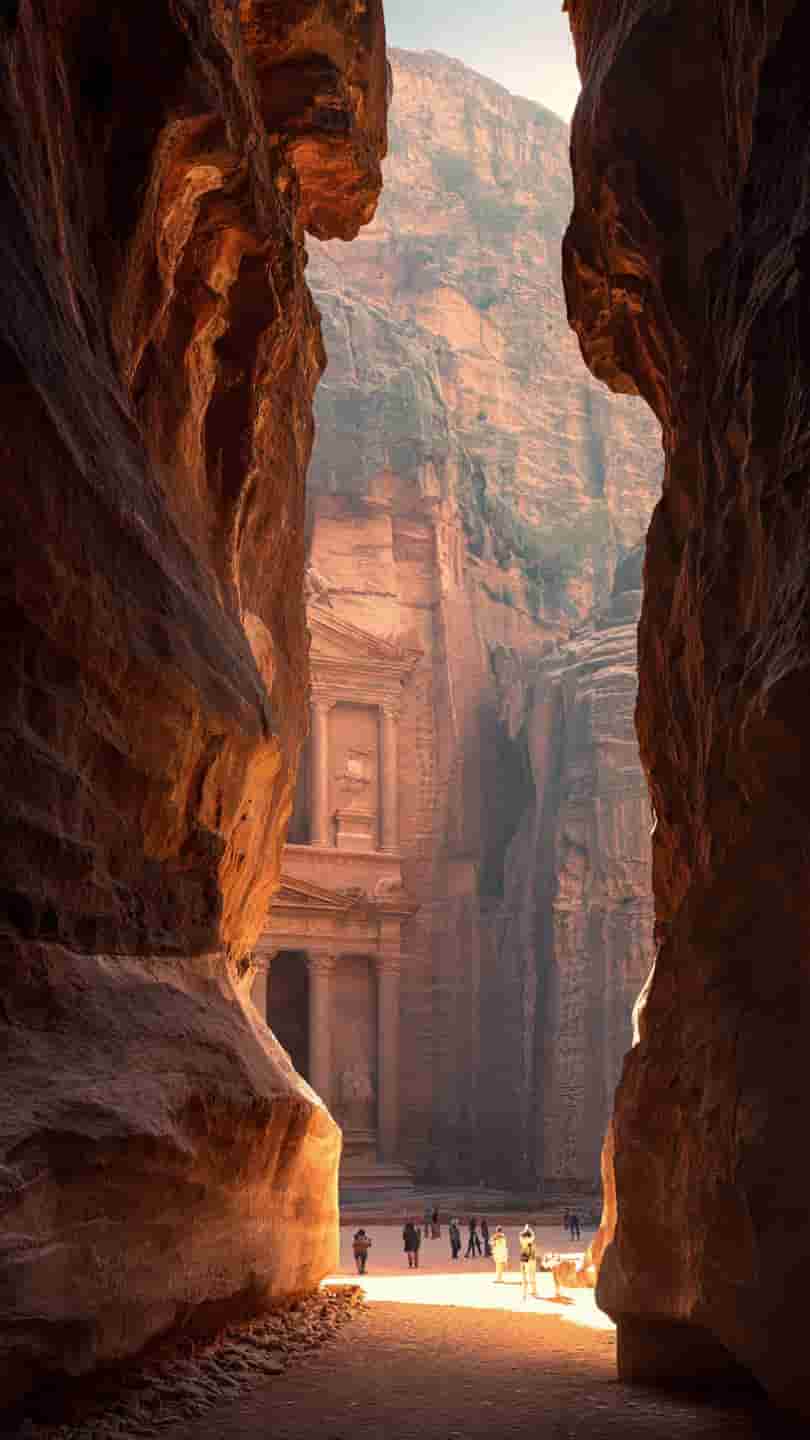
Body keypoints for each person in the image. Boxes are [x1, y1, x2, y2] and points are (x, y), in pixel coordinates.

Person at [519, 1223, 538, 1299]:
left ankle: (528, 1290)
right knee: (532, 1274)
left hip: (525, 1258)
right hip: (532, 1258)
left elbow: (521, 1235)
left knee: (527, 1274)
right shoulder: (531, 1239)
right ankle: (534, 1290)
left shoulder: (522, 1239)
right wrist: (530, 1230)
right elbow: (533, 1235)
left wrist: (525, 1230)